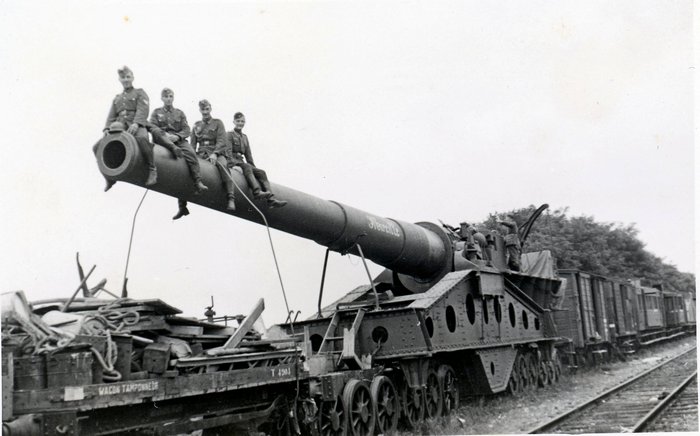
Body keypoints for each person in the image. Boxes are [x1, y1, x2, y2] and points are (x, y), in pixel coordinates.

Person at [93, 66, 159, 191]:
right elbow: (111, 116)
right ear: (120, 79)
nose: (126, 80)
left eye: (128, 77)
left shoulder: (140, 92)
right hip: (119, 126)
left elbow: (143, 109)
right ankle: (109, 178)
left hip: (134, 123)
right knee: (96, 147)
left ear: (132, 78)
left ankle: (152, 169)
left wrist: (136, 123)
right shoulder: (117, 98)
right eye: (123, 78)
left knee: (142, 139)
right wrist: (107, 128)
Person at [149, 88, 208, 219]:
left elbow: (186, 129)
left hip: (178, 140)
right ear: (162, 98)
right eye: (166, 97)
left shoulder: (179, 113)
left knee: (191, 155)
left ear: (173, 98)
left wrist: (177, 136)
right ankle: (173, 148)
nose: (168, 98)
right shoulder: (156, 112)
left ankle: (198, 181)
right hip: (163, 140)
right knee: (157, 133)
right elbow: (152, 126)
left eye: (170, 96)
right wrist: (165, 135)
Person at [227, 112, 287, 209]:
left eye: (242, 121)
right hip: (234, 161)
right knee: (246, 167)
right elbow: (228, 152)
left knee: (261, 172)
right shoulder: (229, 134)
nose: (240, 123)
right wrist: (232, 165)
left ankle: (271, 199)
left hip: (241, 161)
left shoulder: (245, 137)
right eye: (238, 121)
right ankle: (257, 192)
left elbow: (248, 155)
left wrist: (254, 168)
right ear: (234, 121)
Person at [188, 100, 236, 213]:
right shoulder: (196, 125)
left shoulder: (218, 123)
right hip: (201, 153)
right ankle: (183, 204)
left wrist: (215, 153)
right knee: (189, 166)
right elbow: (193, 144)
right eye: (203, 109)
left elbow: (222, 140)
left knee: (224, 166)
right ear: (200, 110)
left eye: (207, 109)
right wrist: (191, 155)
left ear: (210, 108)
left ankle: (231, 197)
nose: (205, 111)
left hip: (215, 152)